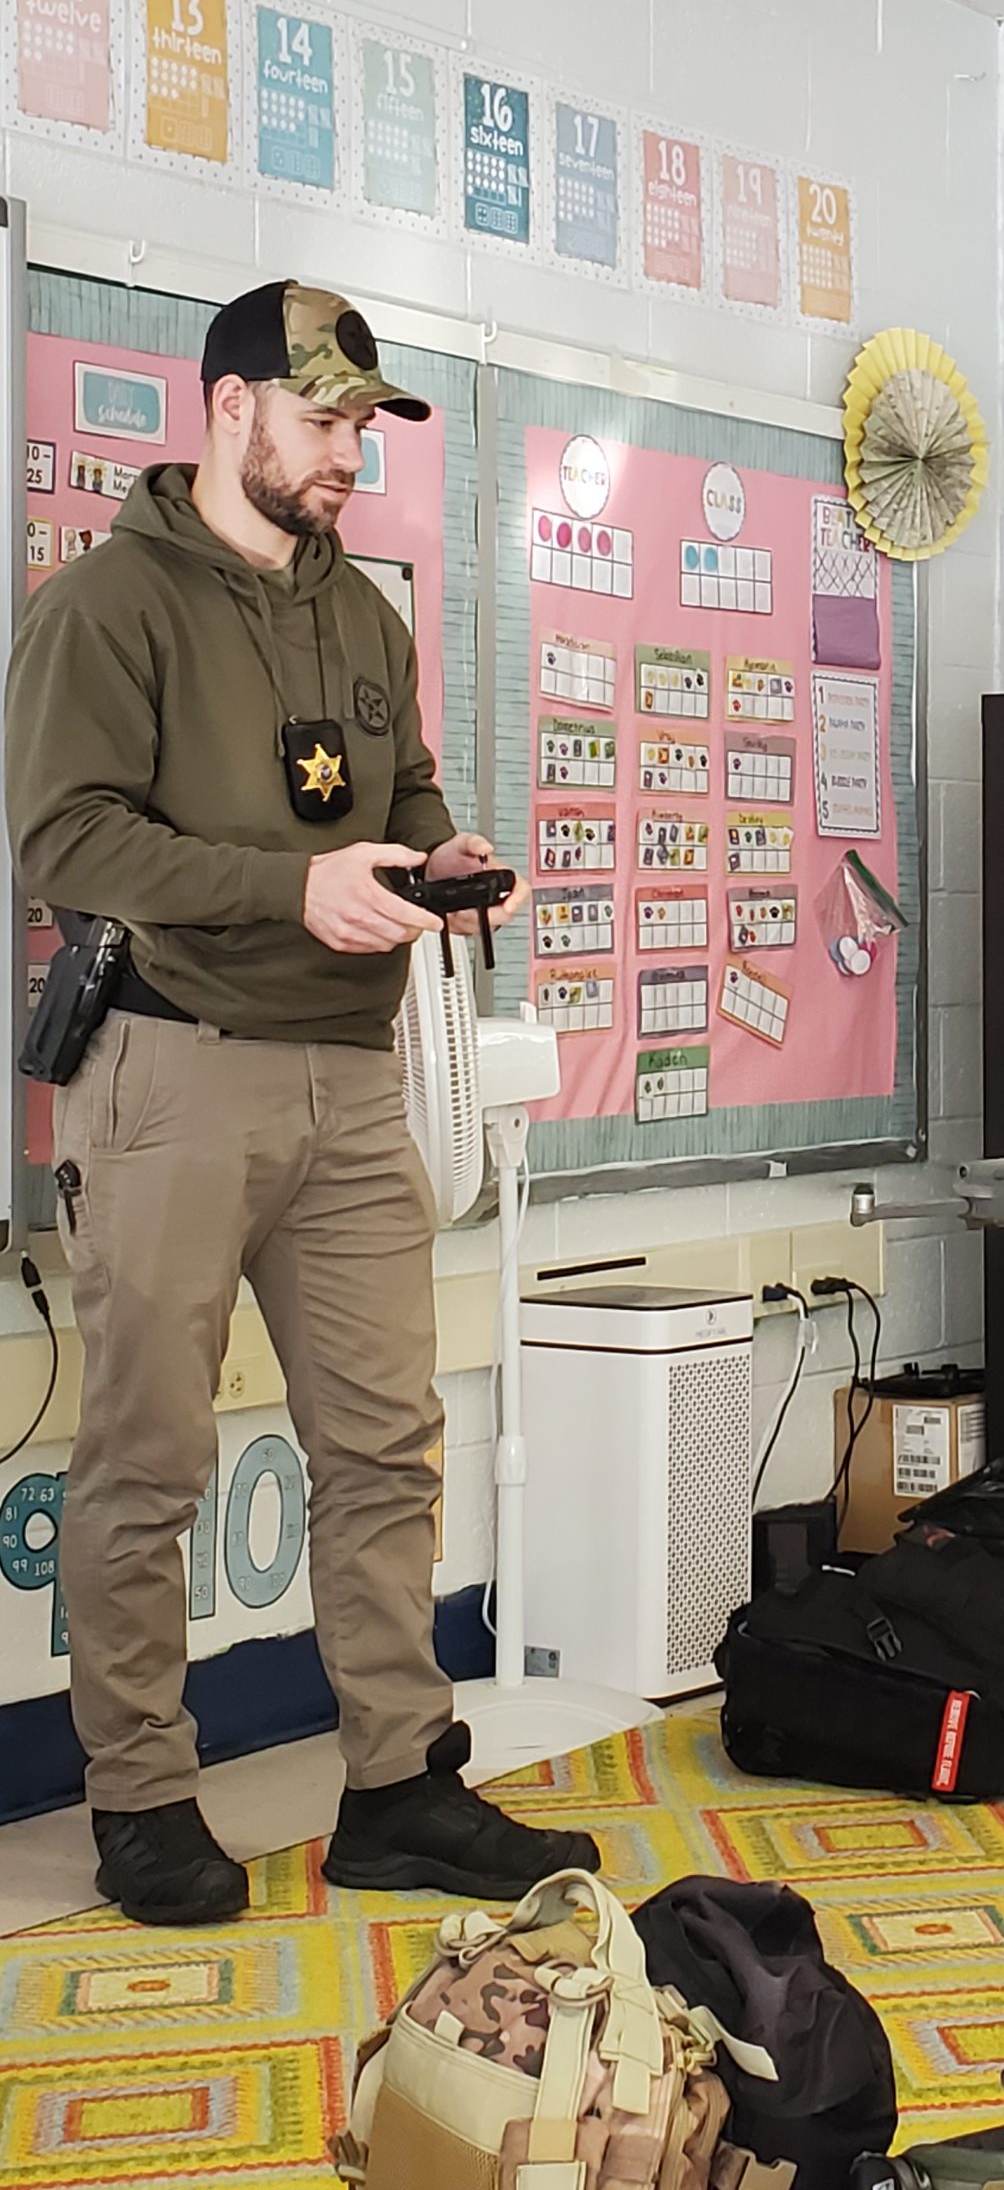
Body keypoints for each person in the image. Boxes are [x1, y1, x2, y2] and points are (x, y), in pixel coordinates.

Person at [5, 279, 599, 1926]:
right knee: (147, 1455)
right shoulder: (106, 606)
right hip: (173, 1072)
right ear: (229, 409)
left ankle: (401, 1784)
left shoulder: (363, 614)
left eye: (364, 424)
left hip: (355, 1076)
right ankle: (138, 1794)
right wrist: (293, 890)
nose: (350, 454)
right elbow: (66, 841)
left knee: (384, 1447)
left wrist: (441, 855)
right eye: (324, 419)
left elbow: (394, 794)